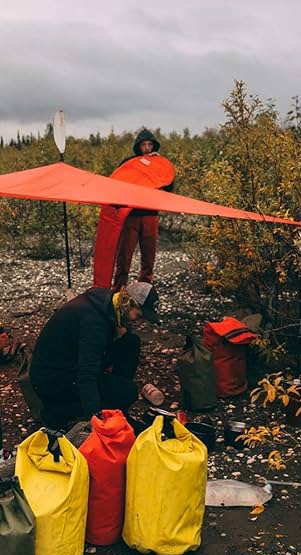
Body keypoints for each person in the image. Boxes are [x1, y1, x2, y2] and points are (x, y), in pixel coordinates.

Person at [30, 281, 160, 427]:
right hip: (52, 380)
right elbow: (86, 373)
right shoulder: (95, 323)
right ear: (129, 303)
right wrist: (96, 419)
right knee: (128, 392)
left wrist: (117, 334)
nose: (139, 321)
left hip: (68, 363)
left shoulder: (107, 303)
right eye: (139, 316)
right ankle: (59, 411)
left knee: (130, 342)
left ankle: (117, 408)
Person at [112, 129, 175, 290]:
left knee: (149, 256)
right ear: (138, 146)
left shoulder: (158, 164)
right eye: (143, 145)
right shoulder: (129, 163)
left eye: (150, 144)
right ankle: (118, 290)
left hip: (150, 214)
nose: (147, 148)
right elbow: (117, 184)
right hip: (131, 215)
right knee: (124, 255)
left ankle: (145, 290)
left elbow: (169, 187)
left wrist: (162, 164)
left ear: (154, 146)